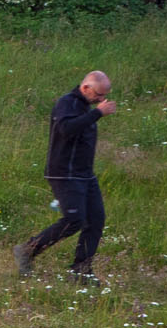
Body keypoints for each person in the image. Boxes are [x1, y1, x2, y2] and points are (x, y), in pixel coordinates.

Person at [15, 70, 118, 278]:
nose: (101, 99)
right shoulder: (67, 103)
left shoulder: (85, 107)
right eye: (98, 94)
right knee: (74, 219)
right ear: (86, 87)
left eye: (104, 95)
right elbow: (66, 129)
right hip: (64, 173)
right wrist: (97, 113)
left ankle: (81, 270)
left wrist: (93, 112)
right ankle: (27, 250)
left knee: (95, 220)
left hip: (85, 175)